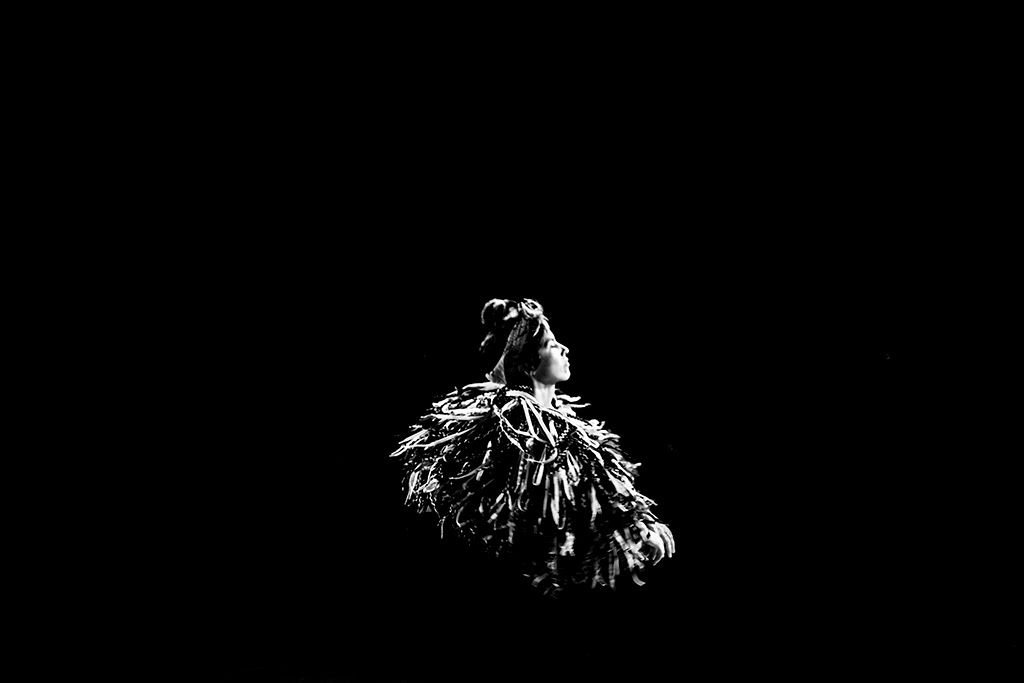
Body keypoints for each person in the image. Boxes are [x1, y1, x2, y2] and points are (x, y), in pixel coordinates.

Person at [391, 298, 675, 597]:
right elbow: (561, 507)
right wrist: (632, 531)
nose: (565, 348)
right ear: (528, 363)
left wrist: (637, 524)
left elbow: (593, 494)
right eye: (552, 344)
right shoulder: (517, 424)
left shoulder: (560, 423)